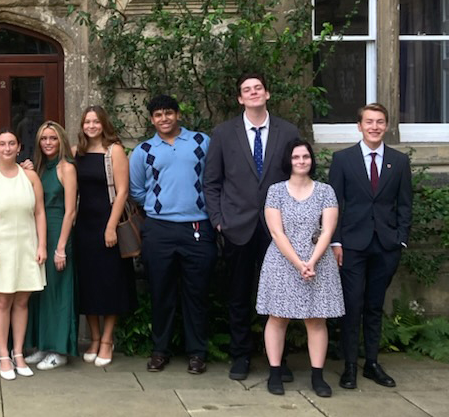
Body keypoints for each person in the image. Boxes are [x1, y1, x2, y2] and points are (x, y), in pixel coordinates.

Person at [203, 72, 299, 381]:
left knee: (280, 295)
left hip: (279, 229)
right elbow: (212, 181)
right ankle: (241, 355)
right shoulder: (223, 133)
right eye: (247, 89)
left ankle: (278, 360)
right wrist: (218, 221)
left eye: (258, 88)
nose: (254, 92)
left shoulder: (288, 131)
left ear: (267, 94)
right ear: (240, 99)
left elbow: (298, 176)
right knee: (239, 294)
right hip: (237, 226)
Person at [129, 95, 216, 374]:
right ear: (152, 119)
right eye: (157, 115)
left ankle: (197, 353)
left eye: (168, 113)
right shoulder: (143, 150)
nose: (163, 119)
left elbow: (213, 180)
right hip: (159, 228)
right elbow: (137, 190)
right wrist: (160, 206)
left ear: (178, 115)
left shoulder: (202, 142)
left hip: (198, 226)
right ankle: (160, 351)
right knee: (160, 291)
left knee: (197, 293)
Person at [329, 103, 412, 390]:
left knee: (375, 306)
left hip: (386, 245)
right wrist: (335, 241)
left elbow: (405, 205)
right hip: (351, 245)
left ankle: (372, 364)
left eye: (379, 122)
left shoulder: (399, 162)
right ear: (359, 126)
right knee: (352, 305)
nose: (374, 126)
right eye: (369, 121)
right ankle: (350, 366)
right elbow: (333, 205)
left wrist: (401, 238)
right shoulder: (343, 159)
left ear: (386, 126)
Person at [256, 140, 344, 397]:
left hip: (318, 262)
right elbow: (276, 231)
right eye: (296, 157)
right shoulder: (276, 191)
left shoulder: (326, 191)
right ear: (289, 161)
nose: (302, 161)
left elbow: (328, 229)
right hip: (283, 262)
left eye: (306, 156)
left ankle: (318, 376)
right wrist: (298, 263)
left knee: (316, 319)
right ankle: (275, 373)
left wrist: (312, 261)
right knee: (278, 317)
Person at [0, 129, 47, 380]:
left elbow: (39, 212)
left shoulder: (30, 177)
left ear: (19, 148)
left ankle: (18, 353)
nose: (6, 148)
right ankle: (3, 354)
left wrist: (42, 246)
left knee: (22, 302)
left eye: (11, 144)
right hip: (0, 248)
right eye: (2, 144)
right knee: (3, 302)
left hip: (27, 246)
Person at [73, 106, 137, 368]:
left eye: (95, 121)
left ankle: (108, 340)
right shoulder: (78, 152)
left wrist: (110, 227)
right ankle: (95, 339)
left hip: (108, 224)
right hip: (84, 225)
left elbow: (122, 192)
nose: (91, 125)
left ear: (103, 124)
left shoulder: (115, 151)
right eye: (87, 121)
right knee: (88, 284)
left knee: (110, 283)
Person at [25, 121, 78, 370]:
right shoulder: (39, 167)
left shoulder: (66, 168)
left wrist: (60, 247)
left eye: (53, 138)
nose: (48, 143)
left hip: (59, 233)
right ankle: (43, 345)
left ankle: (60, 350)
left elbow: (71, 211)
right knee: (41, 292)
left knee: (59, 292)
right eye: (44, 138)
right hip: (38, 233)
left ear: (61, 141)